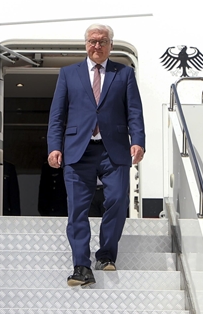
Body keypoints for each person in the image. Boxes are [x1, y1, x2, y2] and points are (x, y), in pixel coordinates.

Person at [47, 23, 145, 287]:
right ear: (86, 44)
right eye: (92, 41)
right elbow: (57, 115)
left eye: (102, 41)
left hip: (114, 149)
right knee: (77, 209)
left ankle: (106, 254)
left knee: (117, 200)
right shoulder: (68, 74)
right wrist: (54, 146)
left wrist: (138, 141)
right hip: (78, 150)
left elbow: (134, 111)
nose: (97, 46)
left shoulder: (124, 73)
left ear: (111, 45)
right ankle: (81, 266)